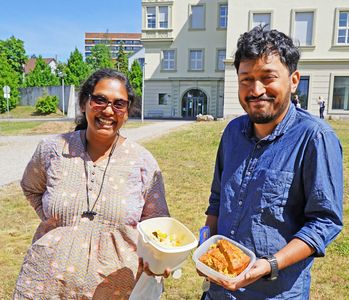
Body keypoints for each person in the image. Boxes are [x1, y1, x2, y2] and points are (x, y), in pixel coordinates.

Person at [200, 26, 343, 299]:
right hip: (219, 290)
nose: (256, 90)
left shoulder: (315, 138)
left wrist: (269, 265)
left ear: (293, 80)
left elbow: (324, 221)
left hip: (275, 292)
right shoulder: (232, 132)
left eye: (268, 78)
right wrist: (205, 245)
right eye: (246, 79)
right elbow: (217, 199)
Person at [14, 69, 170, 299]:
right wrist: (53, 221)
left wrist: (156, 257)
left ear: (127, 112)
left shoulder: (142, 162)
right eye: (100, 100)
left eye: (119, 104)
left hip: (116, 288)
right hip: (46, 285)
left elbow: (157, 224)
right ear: (84, 103)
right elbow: (31, 187)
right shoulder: (52, 149)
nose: (108, 110)